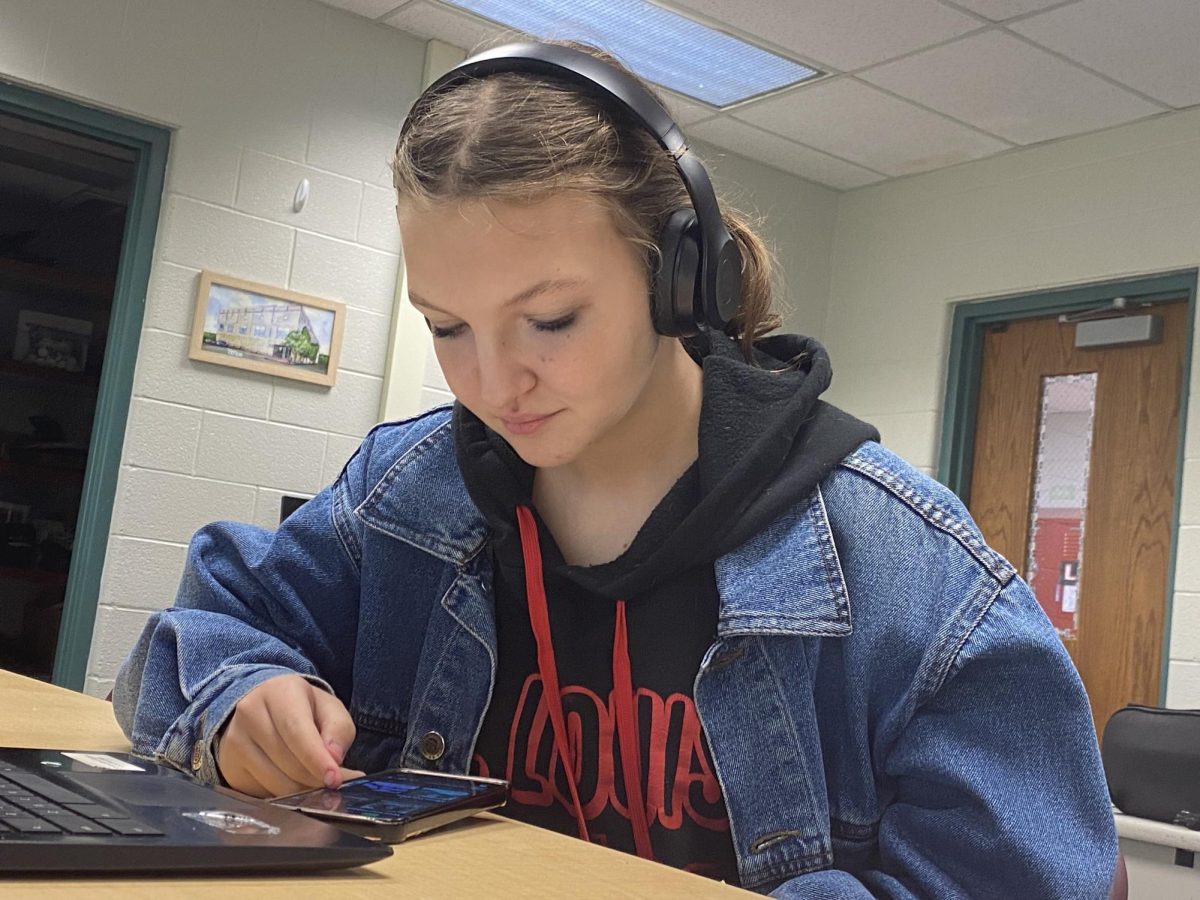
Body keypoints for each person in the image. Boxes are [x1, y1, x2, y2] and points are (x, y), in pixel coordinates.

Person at [114, 40, 1118, 897]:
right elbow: (201, 634)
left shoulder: (912, 576)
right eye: (448, 328)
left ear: (683, 280)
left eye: (550, 319)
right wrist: (238, 696)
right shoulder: (405, 494)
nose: (495, 382)